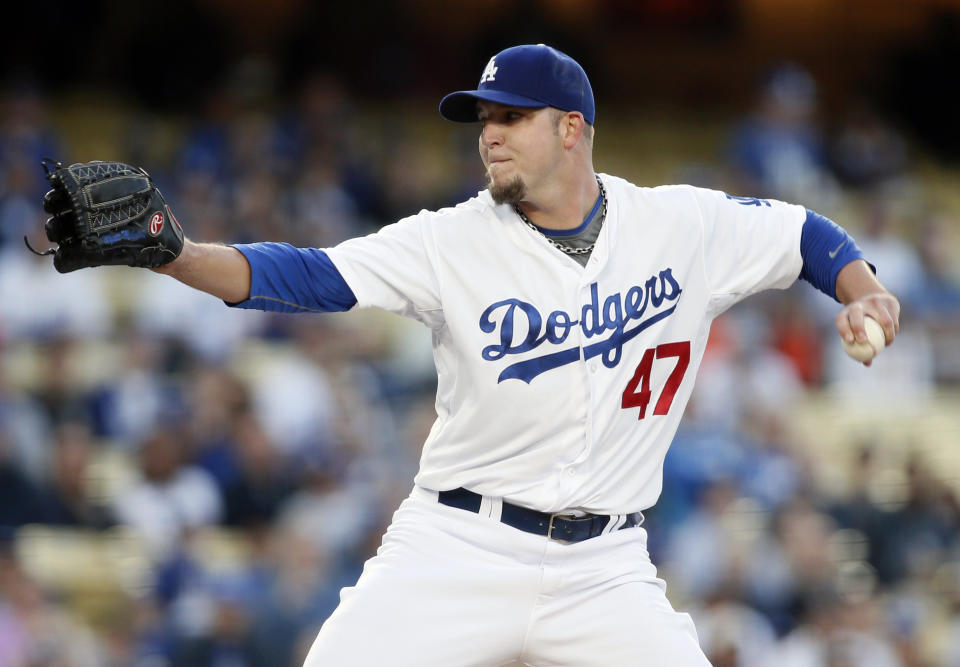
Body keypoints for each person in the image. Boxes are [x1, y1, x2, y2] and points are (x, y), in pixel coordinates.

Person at [102, 44, 898, 665]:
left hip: (607, 564)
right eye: (483, 118)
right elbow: (311, 276)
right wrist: (177, 254)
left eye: (511, 117)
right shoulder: (451, 239)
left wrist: (861, 288)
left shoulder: (677, 225)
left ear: (571, 128)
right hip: (459, 544)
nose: (489, 135)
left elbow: (802, 234)